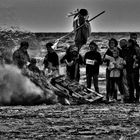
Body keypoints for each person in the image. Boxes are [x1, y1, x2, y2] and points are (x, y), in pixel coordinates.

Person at [129, 33, 140, 102]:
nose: (133, 38)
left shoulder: (137, 47)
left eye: (134, 37)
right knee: (130, 83)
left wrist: (137, 62)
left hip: (135, 67)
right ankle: (132, 97)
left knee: (135, 83)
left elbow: (139, 57)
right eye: (132, 37)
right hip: (129, 67)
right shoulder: (129, 46)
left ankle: (137, 97)